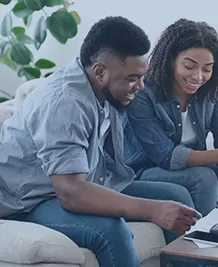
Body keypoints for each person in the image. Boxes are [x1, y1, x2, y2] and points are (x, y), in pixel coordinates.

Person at [0, 16, 202, 267]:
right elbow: (71, 193)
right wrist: (152, 209)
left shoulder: (102, 88)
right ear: (99, 71)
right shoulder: (66, 103)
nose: (140, 86)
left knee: (176, 195)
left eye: (142, 77)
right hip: (30, 200)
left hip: (83, 180)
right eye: (131, 78)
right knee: (110, 228)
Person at [123, 18, 218, 217]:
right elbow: (166, 157)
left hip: (186, 168)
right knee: (204, 178)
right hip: (144, 171)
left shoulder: (212, 89)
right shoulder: (144, 92)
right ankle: (201, 242)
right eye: (189, 66)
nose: (198, 77)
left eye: (207, 69)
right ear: (171, 59)